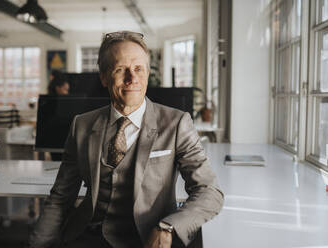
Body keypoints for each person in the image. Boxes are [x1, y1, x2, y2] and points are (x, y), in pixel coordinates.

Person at [29, 31, 224, 248]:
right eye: (120, 69)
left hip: (147, 237)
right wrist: (39, 244)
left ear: (148, 72)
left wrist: (167, 228)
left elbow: (209, 191)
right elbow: (60, 197)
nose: (132, 78)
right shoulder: (82, 125)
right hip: (88, 236)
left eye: (139, 69)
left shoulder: (177, 123)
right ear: (103, 77)